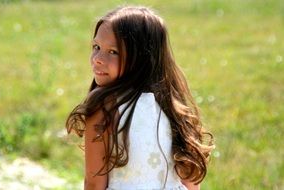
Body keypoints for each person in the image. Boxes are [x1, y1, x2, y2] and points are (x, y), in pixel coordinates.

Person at [66, 5, 214, 190]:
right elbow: (191, 183)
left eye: (113, 51)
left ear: (142, 58)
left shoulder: (105, 106)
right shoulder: (173, 104)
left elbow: (95, 183)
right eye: (96, 47)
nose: (98, 58)